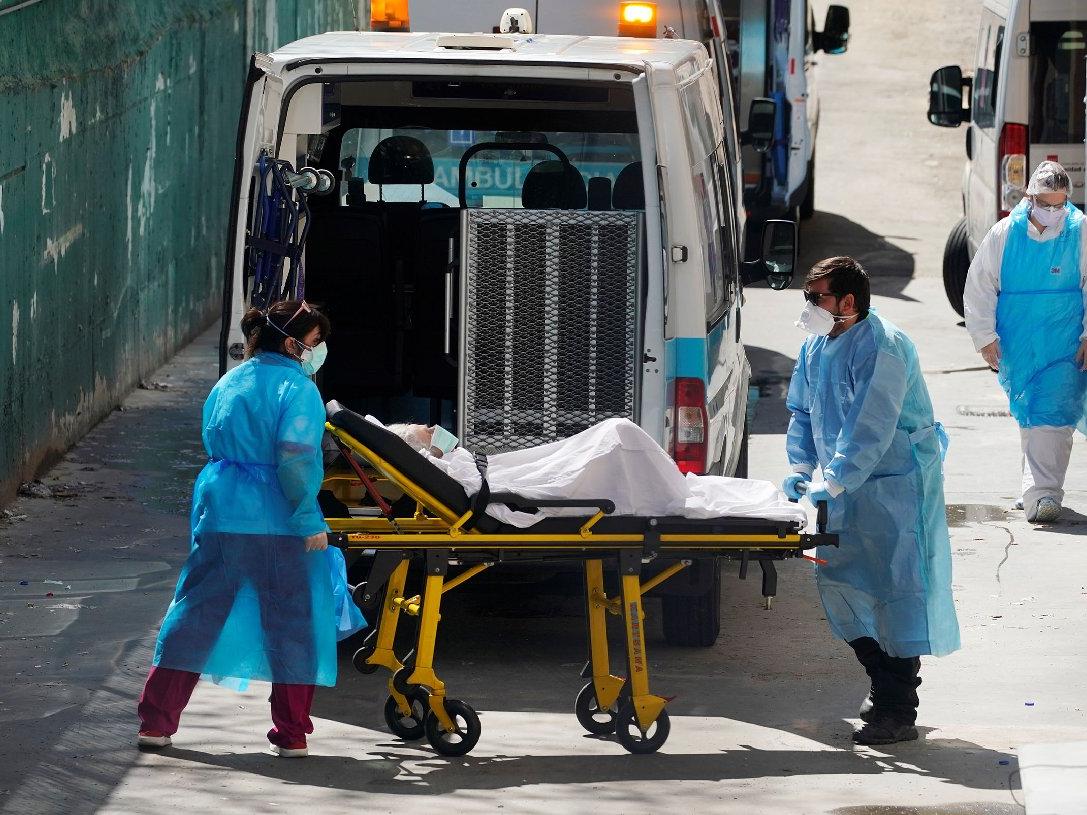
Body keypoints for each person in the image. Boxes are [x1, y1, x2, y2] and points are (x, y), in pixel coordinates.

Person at [136, 300, 365, 757]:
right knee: (292, 624)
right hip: (279, 522)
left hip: (222, 516)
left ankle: (155, 724)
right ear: (292, 344)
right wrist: (308, 520)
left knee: (194, 617)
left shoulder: (229, 381)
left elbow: (216, 445)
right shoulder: (299, 389)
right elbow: (296, 458)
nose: (317, 351)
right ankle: (292, 733)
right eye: (315, 342)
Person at [782, 256, 960, 746]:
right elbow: (802, 410)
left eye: (816, 297)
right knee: (844, 586)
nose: (809, 306)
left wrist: (837, 477)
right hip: (844, 486)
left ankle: (898, 709)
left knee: (896, 592)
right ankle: (883, 685)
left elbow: (871, 424)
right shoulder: (817, 345)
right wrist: (801, 467)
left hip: (893, 486)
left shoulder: (883, 346)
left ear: (847, 301)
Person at [962, 160, 1087, 523]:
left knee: (1054, 411)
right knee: (1030, 410)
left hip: (1064, 339)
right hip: (1018, 340)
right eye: (1045, 204)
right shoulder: (1004, 234)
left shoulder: (1080, 231)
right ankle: (1032, 488)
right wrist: (984, 336)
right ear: (1030, 197)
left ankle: (1044, 494)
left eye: (1059, 205)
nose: (1052, 212)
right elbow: (980, 285)